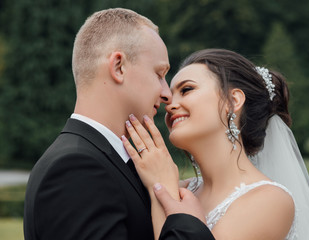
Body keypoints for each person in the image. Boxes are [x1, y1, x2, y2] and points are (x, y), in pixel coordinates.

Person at [23, 8, 214, 240]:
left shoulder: (101, 161)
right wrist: (189, 225)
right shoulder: (76, 169)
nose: (167, 94)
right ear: (118, 67)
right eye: (158, 74)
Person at [122, 49, 309, 239]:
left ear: (234, 101)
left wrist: (160, 189)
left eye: (186, 90)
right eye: (170, 98)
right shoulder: (179, 188)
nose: (170, 106)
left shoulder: (269, 201)